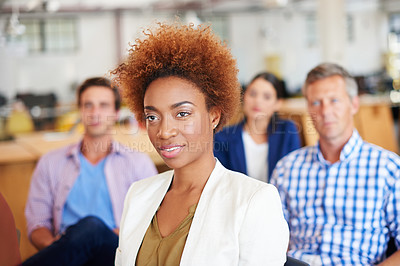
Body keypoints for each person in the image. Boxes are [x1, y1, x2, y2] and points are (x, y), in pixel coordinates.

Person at [112, 22, 289, 265]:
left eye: (182, 114)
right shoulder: (139, 195)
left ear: (214, 116)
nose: (164, 131)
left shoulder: (254, 201)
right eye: (152, 116)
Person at [270, 63, 400, 265]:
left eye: (334, 100)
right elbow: (272, 239)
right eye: (316, 103)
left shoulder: (388, 168)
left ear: (354, 104)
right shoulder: (286, 168)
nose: (325, 111)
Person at [23, 77, 157, 266]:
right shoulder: (50, 163)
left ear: (116, 113)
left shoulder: (138, 163)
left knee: (92, 227)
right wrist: (62, 247)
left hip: (116, 255)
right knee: (87, 232)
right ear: (80, 111)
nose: (95, 113)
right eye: (88, 105)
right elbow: (37, 223)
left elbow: (151, 225)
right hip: (68, 258)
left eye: (103, 105)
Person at [214, 72, 301, 182]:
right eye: (253, 94)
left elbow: (292, 176)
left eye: (267, 97)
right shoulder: (222, 137)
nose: (258, 101)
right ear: (243, 96)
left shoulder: (287, 131)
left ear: (278, 103)